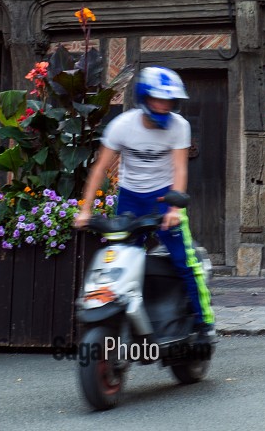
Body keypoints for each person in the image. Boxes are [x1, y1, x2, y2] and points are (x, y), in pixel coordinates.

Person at [74, 66, 215, 340]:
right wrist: (85, 210)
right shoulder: (122, 126)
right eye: (157, 99)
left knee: (184, 262)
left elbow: (179, 171)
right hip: (130, 199)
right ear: (144, 97)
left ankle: (203, 323)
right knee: (122, 262)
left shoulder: (179, 126)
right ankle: (124, 324)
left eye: (169, 100)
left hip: (164, 198)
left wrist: (175, 209)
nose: (164, 105)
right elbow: (100, 168)